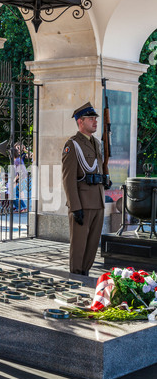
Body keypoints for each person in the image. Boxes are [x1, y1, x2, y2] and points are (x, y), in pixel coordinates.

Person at [62, 102, 111, 275]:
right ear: (80, 122)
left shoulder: (96, 143)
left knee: (92, 245)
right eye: (91, 118)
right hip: (82, 203)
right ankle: (76, 277)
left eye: (95, 118)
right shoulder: (73, 145)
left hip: (97, 201)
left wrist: (106, 179)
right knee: (79, 244)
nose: (95, 121)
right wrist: (75, 207)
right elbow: (68, 179)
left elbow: (99, 167)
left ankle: (85, 273)